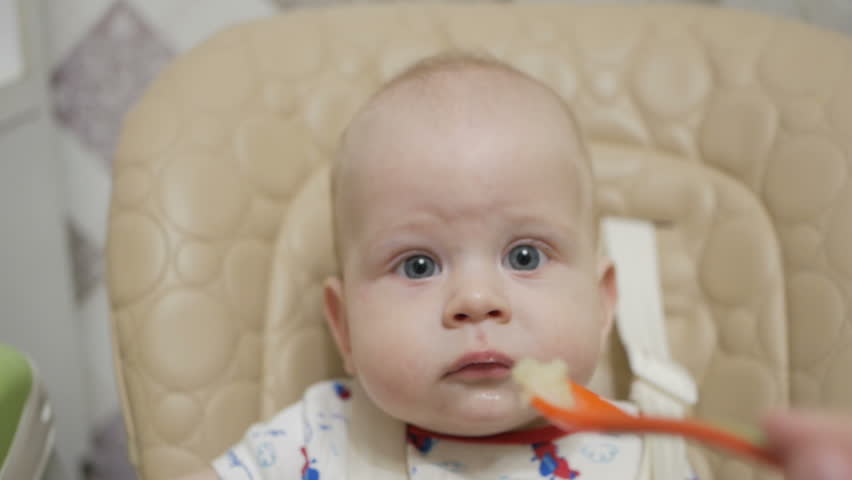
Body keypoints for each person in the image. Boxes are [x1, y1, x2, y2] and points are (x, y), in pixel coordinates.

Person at [179, 53, 852, 480]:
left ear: (602, 302)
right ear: (344, 326)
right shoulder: (312, 438)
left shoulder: (650, 454)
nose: (475, 300)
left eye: (524, 256)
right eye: (417, 266)